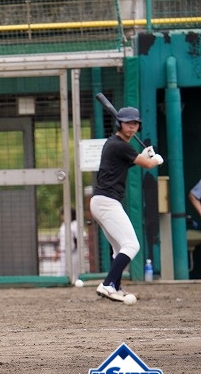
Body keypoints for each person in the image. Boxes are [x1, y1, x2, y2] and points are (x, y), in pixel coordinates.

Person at [91, 107, 163, 302]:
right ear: (119, 124)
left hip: (102, 201)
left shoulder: (116, 144)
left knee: (119, 248)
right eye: (127, 123)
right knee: (131, 245)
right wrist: (155, 159)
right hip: (106, 202)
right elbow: (147, 165)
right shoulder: (120, 145)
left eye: (135, 123)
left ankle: (115, 286)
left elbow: (128, 162)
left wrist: (143, 155)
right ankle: (107, 285)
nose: (131, 127)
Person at [58, 208, 84, 280]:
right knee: (62, 272)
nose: (62, 216)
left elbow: (79, 238)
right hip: (64, 252)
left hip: (73, 252)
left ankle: (75, 283)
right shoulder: (63, 225)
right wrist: (58, 252)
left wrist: (77, 249)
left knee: (74, 272)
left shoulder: (75, 224)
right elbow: (62, 240)